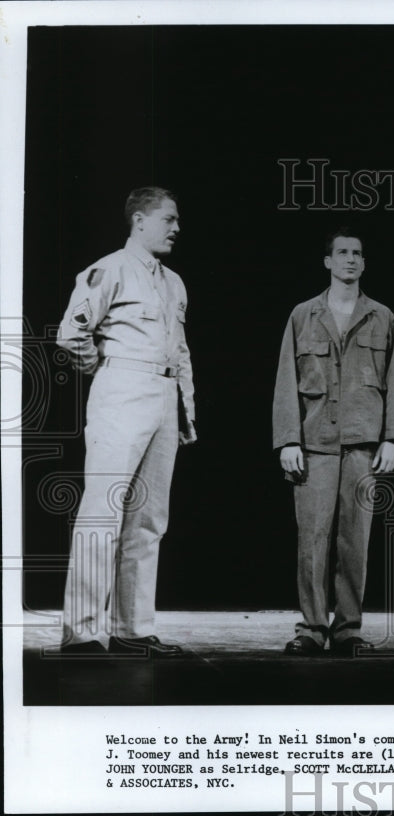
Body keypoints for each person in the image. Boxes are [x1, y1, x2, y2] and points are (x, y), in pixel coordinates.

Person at [56, 186, 195, 657]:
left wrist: (185, 410)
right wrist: (105, 372)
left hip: (164, 395)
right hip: (123, 392)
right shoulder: (109, 268)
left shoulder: (173, 282)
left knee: (150, 520)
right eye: (169, 219)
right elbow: (72, 333)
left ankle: (133, 629)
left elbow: (180, 350)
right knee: (103, 510)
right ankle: (83, 630)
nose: (176, 228)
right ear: (139, 219)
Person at [272, 227, 394, 656]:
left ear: (364, 264)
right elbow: (286, 383)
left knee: (355, 540)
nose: (350, 259)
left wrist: (392, 438)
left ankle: (348, 627)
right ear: (327, 261)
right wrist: (288, 440)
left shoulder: (382, 316)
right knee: (312, 539)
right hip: (315, 444)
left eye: (357, 254)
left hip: (363, 445)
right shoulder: (303, 315)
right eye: (342, 252)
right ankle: (312, 626)